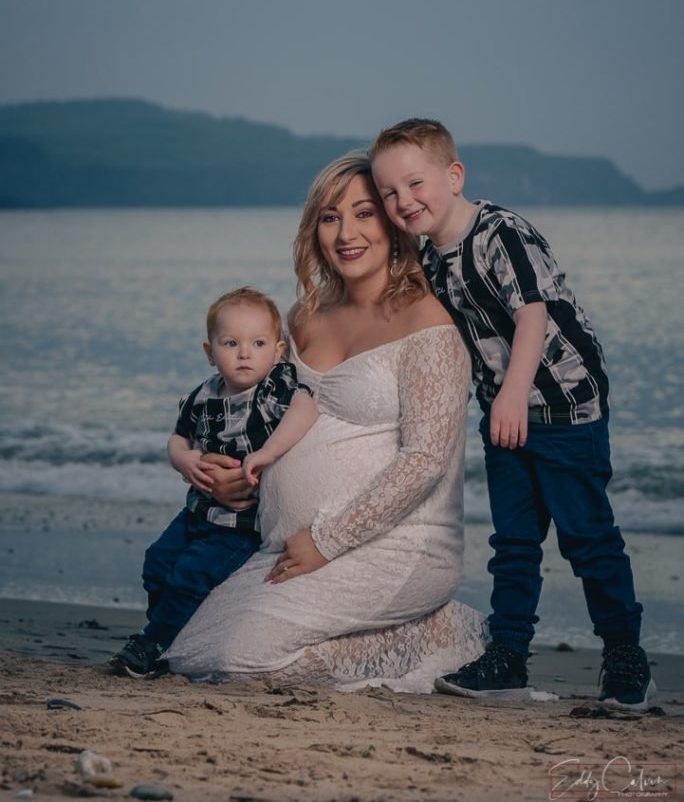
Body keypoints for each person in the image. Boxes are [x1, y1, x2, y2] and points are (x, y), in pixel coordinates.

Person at [165, 153, 485, 689]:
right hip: (288, 546)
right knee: (191, 656)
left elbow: (425, 462)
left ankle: (436, 633)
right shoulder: (304, 317)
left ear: (391, 221)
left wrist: (327, 541)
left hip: (396, 548)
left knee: (243, 664)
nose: (346, 233)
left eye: (364, 214)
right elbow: (270, 422)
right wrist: (232, 477)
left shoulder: (427, 324)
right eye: (331, 217)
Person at [370, 118, 654, 710]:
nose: (403, 201)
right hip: (506, 415)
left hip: (564, 405)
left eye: (415, 184)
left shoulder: (502, 233)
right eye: (390, 193)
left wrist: (512, 391)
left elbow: (534, 313)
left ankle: (626, 656)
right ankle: (508, 660)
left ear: (453, 176)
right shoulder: (432, 257)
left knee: (587, 538)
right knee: (514, 542)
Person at [110, 286, 318, 678]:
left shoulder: (273, 389)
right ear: (210, 352)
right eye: (231, 343)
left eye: (257, 343)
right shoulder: (202, 396)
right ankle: (169, 634)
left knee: (191, 574)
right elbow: (178, 436)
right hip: (196, 511)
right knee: (157, 563)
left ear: (277, 351)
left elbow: (307, 407)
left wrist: (269, 452)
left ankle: (154, 643)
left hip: (237, 526)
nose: (244, 353)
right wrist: (183, 458)